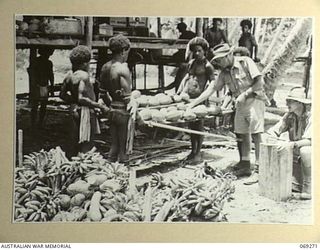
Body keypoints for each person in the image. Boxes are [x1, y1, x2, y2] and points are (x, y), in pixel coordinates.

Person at [188, 43, 266, 177]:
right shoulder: (224, 73)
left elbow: (260, 82)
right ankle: (245, 164)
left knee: (256, 134)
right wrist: (193, 104)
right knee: (241, 134)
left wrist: (245, 94)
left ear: (229, 55)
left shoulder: (245, 62)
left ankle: (260, 168)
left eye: (220, 59)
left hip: (255, 100)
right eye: (216, 60)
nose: (219, 63)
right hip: (240, 104)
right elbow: (211, 89)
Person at [60, 45, 109, 156]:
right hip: (85, 113)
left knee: (74, 140)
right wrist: (99, 106)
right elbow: (81, 98)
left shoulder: (69, 75)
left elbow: (62, 95)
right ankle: (84, 165)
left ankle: (72, 164)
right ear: (85, 63)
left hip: (74, 110)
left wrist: (74, 102)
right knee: (86, 142)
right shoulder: (84, 76)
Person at [267, 87, 312, 200]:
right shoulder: (290, 116)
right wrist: (271, 136)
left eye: (290, 101)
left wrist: (292, 144)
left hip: (312, 152)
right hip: (297, 150)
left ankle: (308, 188)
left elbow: (311, 141)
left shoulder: (312, 116)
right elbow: (275, 130)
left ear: (299, 103)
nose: (287, 103)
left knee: (305, 150)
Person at [177, 37, 215, 164]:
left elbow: (212, 84)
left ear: (204, 51)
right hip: (188, 98)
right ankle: (192, 151)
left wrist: (203, 97)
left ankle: (198, 153)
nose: (197, 53)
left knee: (198, 127)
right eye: (195, 51)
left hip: (200, 100)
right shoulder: (192, 63)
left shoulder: (208, 66)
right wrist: (180, 90)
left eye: (199, 50)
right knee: (191, 126)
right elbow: (187, 77)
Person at [99, 34, 133, 163]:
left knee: (114, 146)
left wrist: (111, 108)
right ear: (124, 50)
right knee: (124, 148)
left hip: (112, 110)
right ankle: (123, 177)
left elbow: (102, 93)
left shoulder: (105, 67)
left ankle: (110, 173)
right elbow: (127, 98)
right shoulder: (122, 68)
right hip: (123, 112)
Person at [29, 47, 54, 128]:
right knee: (37, 106)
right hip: (38, 86)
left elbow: (51, 75)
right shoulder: (37, 61)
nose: (49, 55)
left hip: (42, 86)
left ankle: (38, 123)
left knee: (39, 106)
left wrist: (51, 86)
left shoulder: (46, 62)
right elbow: (32, 74)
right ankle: (35, 123)